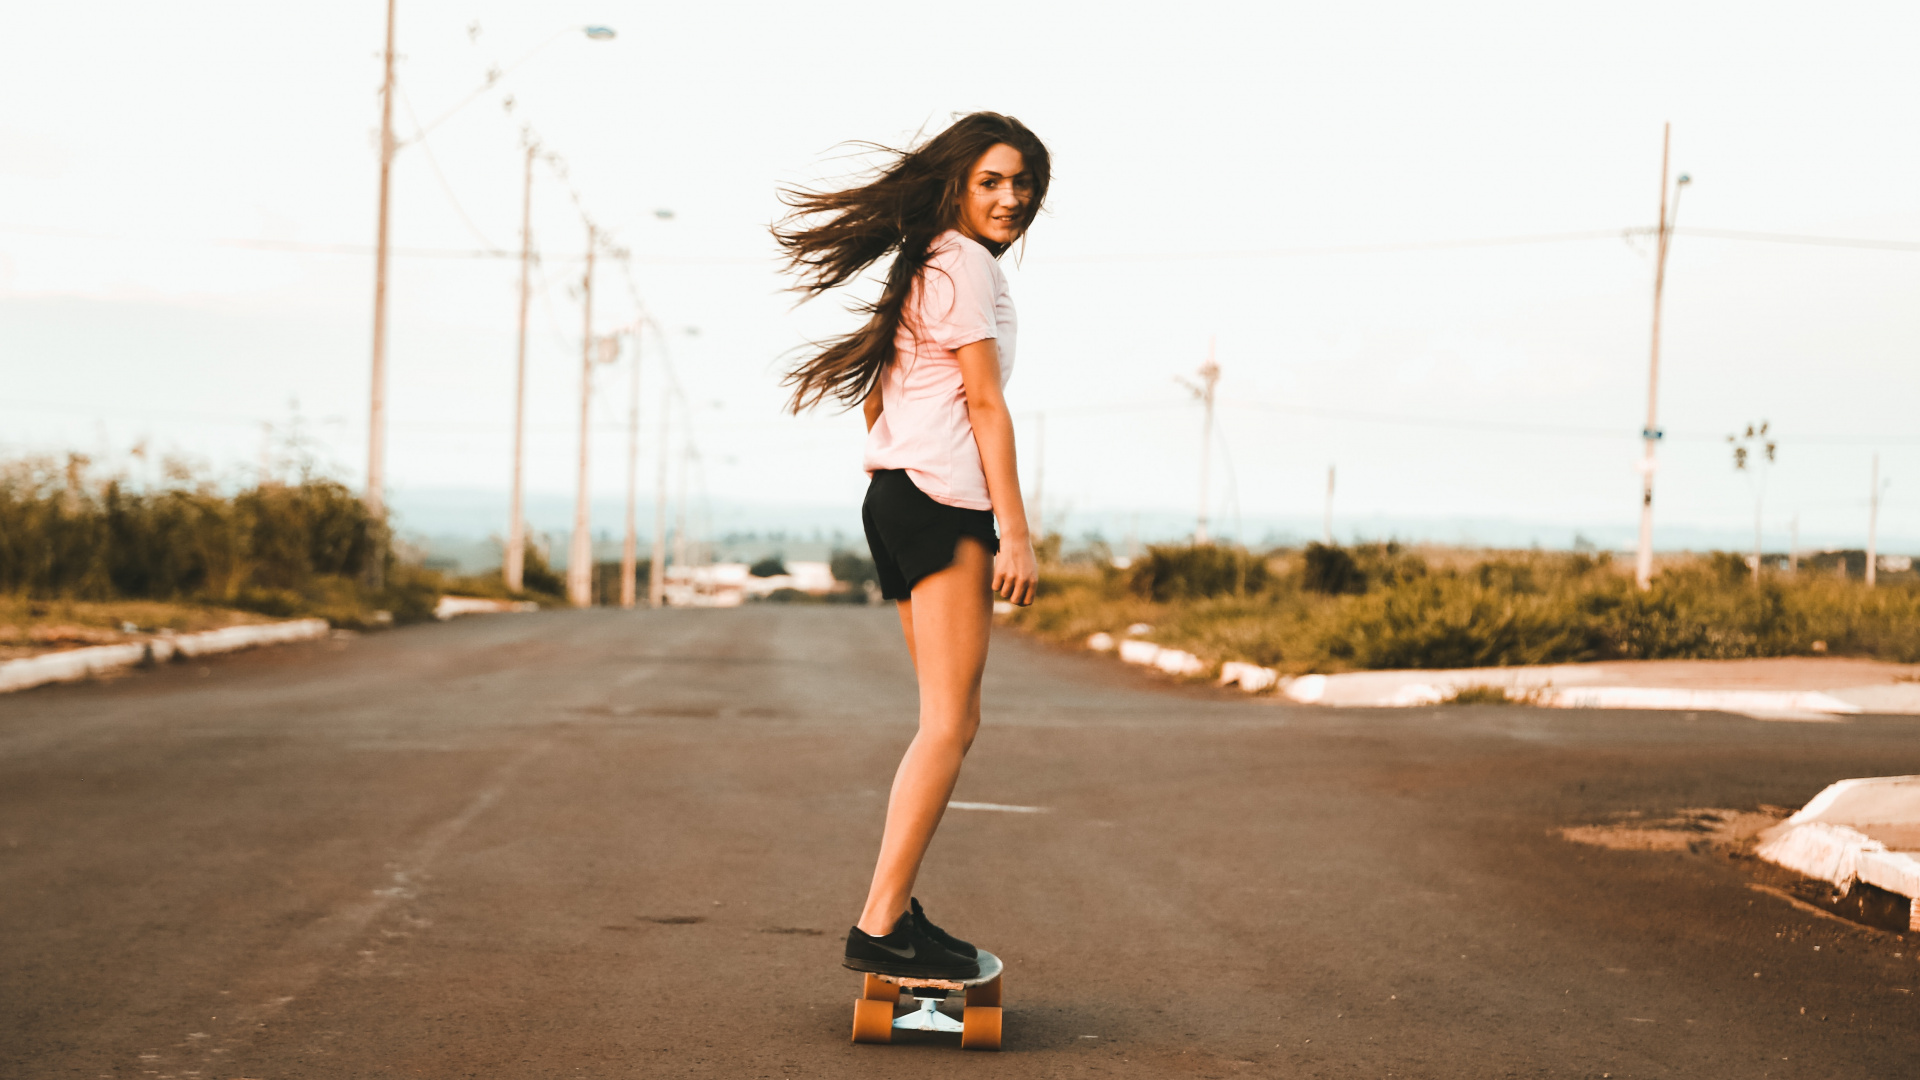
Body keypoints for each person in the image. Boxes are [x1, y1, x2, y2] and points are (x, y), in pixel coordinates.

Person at [774, 112, 1051, 979]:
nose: (1011, 197)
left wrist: (902, 466)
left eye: (1023, 182)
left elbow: (879, 393)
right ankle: (881, 921)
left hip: (897, 494)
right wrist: (1015, 533)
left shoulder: (926, 258)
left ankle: (891, 912)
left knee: (944, 719)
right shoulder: (962, 261)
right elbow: (984, 403)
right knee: (949, 723)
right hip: (941, 500)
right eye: (991, 181)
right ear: (957, 185)